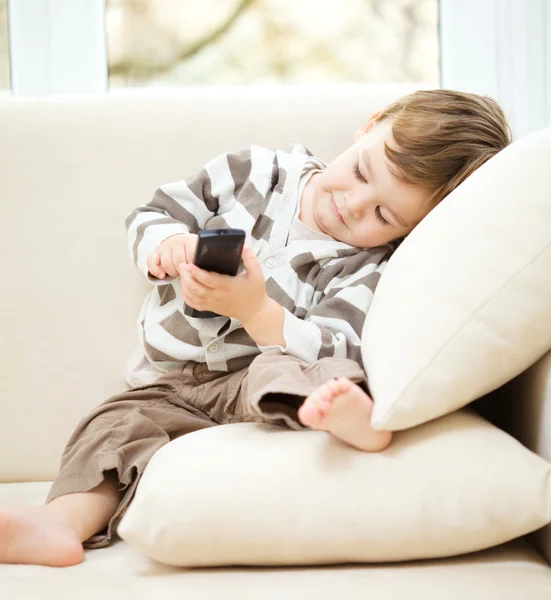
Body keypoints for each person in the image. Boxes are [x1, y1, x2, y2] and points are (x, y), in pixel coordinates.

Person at [0, 89, 512, 567]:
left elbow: (337, 341)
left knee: (308, 367)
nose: (353, 205)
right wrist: (167, 245)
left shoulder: (368, 265)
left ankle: (353, 417)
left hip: (252, 380)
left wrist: (257, 313)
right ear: (368, 127)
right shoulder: (256, 172)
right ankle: (59, 523)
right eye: (361, 173)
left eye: (382, 213)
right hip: (169, 383)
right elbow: (154, 212)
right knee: (113, 427)